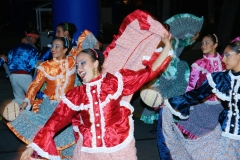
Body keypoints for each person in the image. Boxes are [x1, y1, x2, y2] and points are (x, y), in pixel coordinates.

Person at [19, 33, 172, 160]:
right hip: (89, 151)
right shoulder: (77, 95)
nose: (79, 68)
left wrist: (167, 47)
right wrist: (34, 148)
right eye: (77, 65)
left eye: (83, 63)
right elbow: (55, 121)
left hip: (119, 147)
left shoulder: (114, 82)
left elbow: (148, 73)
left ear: (96, 64)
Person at [158, 40, 240, 159]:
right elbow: (196, 94)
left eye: (227, 55)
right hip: (227, 134)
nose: (223, 59)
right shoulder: (221, 79)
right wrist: (171, 103)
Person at [6, 37, 77, 159]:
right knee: (45, 138)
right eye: (52, 46)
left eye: (57, 46)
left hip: (67, 108)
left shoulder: (73, 61)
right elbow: (34, 85)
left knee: (68, 140)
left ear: (65, 50)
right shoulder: (45, 66)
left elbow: (87, 54)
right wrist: (27, 100)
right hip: (50, 108)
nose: (53, 49)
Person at [140, 24, 199, 128]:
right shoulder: (153, 43)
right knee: (157, 96)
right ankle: (160, 124)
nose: (163, 32)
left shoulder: (174, 40)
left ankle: (172, 123)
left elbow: (185, 42)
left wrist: (194, 38)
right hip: (160, 73)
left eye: (165, 30)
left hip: (175, 73)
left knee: (173, 95)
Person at [177, 33, 225, 139]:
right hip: (203, 104)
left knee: (216, 135)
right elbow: (191, 85)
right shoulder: (199, 64)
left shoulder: (224, 61)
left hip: (221, 104)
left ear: (215, 45)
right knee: (197, 135)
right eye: (202, 43)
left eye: (207, 43)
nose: (203, 45)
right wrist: (185, 102)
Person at [7, 30, 40, 106]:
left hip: (12, 76)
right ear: (32, 38)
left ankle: (16, 115)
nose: (36, 42)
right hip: (24, 76)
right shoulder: (32, 50)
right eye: (36, 39)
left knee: (19, 98)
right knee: (34, 97)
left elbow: (9, 61)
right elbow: (34, 65)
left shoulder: (13, 48)